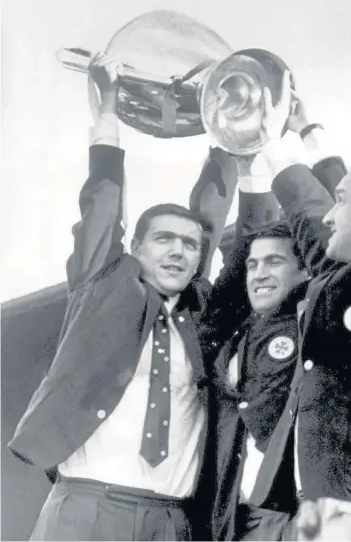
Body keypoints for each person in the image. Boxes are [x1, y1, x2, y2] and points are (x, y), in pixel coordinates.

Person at [7, 53, 243, 541]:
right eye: (163, 239)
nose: (178, 250)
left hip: (170, 519)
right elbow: (101, 203)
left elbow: (212, 215)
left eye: (189, 244)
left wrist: (230, 132)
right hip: (85, 507)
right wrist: (108, 109)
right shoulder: (101, 287)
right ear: (135, 248)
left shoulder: (204, 318)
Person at [248, 23, 351, 540]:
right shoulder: (342, 275)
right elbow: (309, 206)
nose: (329, 215)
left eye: (343, 200)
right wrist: (298, 133)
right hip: (324, 507)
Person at [200, 76, 347, 541]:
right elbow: (246, 236)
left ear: (304, 272)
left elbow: (340, 236)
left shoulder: (317, 323)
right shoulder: (237, 333)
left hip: (298, 518)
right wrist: (239, 153)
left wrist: (299, 139)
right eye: (253, 266)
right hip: (235, 520)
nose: (258, 273)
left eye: (275, 263)